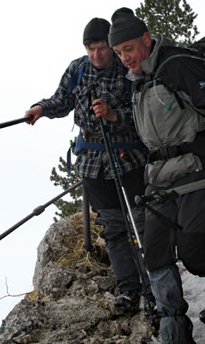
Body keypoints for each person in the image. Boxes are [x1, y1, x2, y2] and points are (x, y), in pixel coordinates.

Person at [109, 7, 205, 344]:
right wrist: (114, 117)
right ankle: (174, 332)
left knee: (191, 249)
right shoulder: (140, 80)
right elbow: (153, 130)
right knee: (155, 255)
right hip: (158, 176)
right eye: (119, 52)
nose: (124, 57)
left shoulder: (176, 65)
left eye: (128, 48)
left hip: (197, 166)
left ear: (146, 39)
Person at [25, 17, 153, 316]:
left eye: (102, 48)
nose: (97, 54)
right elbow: (62, 99)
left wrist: (112, 116)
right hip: (92, 162)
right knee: (112, 228)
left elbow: (143, 112)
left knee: (141, 225)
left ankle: (154, 289)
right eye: (91, 48)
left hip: (128, 157)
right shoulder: (77, 69)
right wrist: (42, 109)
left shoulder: (127, 69)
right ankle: (128, 290)